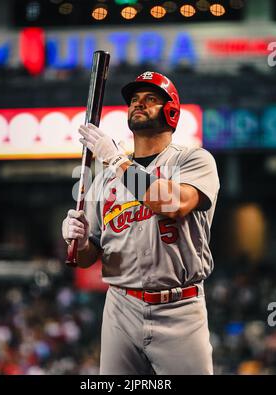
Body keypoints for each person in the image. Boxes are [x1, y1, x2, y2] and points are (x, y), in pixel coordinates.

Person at [62, 71, 220, 375]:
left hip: (180, 307)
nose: (139, 104)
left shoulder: (193, 160)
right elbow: (86, 259)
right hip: (121, 306)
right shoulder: (105, 179)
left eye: (150, 99)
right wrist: (80, 241)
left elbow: (171, 203)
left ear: (171, 111)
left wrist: (117, 160)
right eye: (134, 100)